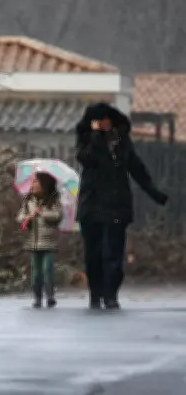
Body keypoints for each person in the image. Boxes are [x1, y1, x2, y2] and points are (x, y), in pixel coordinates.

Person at [75, 103, 168, 310]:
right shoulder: (87, 140)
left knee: (114, 253)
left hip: (117, 205)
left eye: (107, 119)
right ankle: (96, 293)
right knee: (94, 253)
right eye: (100, 120)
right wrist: (95, 136)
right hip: (92, 205)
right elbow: (85, 158)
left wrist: (154, 192)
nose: (104, 123)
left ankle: (111, 294)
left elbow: (137, 168)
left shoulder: (122, 143)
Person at [16, 172, 63, 309]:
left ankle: (50, 295)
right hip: (33, 242)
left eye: (36, 182)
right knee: (35, 272)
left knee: (47, 270)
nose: (33, 185)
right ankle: (37, 297)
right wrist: (28, 217)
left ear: (45, 184)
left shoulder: (53, 201)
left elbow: (58, 215)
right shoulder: (28, 201)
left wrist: (43, 213)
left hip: (48, 242)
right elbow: (20, 216)